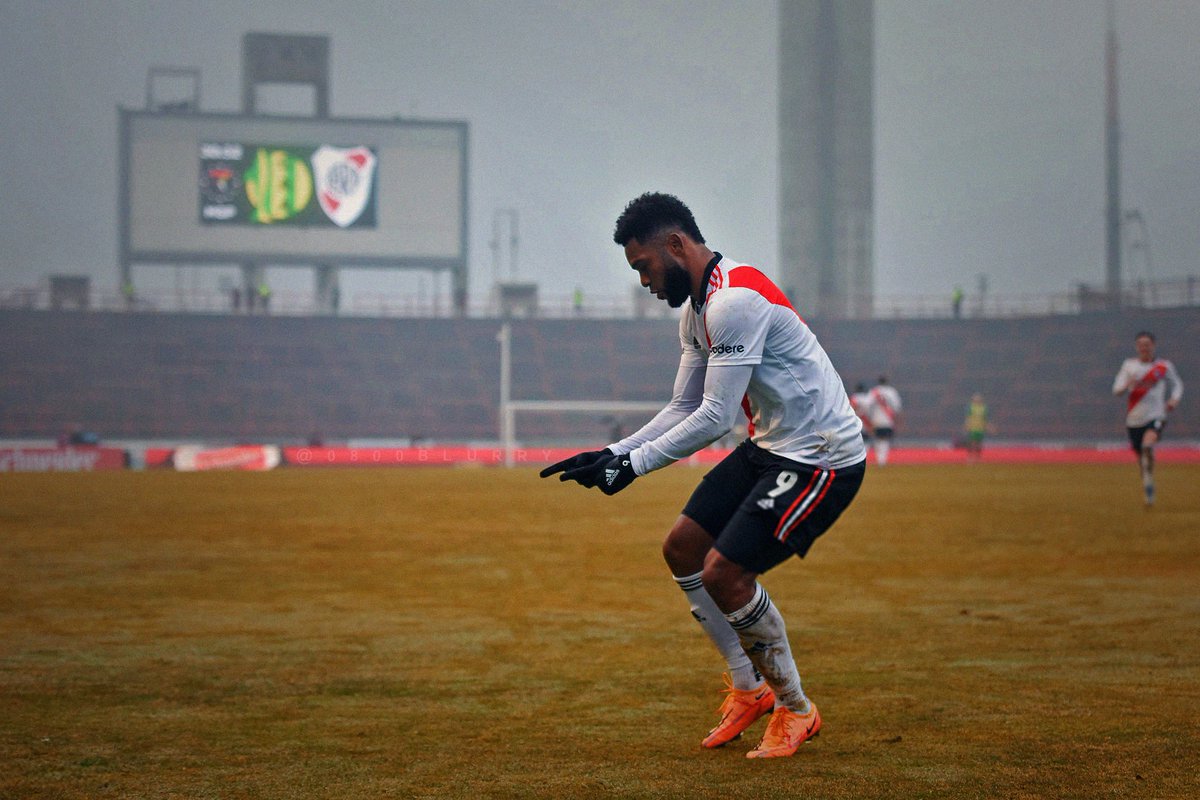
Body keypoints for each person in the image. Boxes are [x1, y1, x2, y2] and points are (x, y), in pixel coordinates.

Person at [540, 193, 866, 758]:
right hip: (771, 445)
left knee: (726, 574)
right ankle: (750, 688)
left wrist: (633, 467)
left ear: (675, 245)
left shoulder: (733, 300)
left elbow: (715, 418)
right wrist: (612, 453)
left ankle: (796, 709)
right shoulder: (698, 308)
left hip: (820, 456)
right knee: (682, 549)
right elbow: (683, 406)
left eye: (643, 266)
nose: (643, 281)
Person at [1112, 331, 1183, 507]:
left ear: (1153, 346)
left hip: (1156, 415)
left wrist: (1174, 399)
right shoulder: (1129, 366)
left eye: (1147, 344)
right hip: (1134, 419)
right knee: (1141, 458)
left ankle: (1148, 471)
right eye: (1141, 344)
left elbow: (1177, 385)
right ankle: (1148, 483)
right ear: (1137, 347)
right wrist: (1126, 385)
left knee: (1147, 446)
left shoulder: (1163, 366)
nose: (1144, 347)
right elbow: (1117, 390)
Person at [865, 376, 902, 466]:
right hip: (888, 420)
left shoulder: (874, 391)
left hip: (876, 420)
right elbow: (897, 407)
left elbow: (867, 405)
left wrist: (869, 418)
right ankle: (882, 460)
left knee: (878, 440)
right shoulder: (892, 392)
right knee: (885, 440)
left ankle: (879, 459)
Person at [962, 393, 990, 463]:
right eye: (976, 399)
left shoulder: (984, 408)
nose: (977, 400)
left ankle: (978, 457)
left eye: (978, 399)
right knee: (972, 442)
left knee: (979, 443)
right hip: (973, 428)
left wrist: (987, 426)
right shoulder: (971, 407)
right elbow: (968, 418)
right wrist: (967, 426)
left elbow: (985, 419)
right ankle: (970, 457)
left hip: (980, 428)